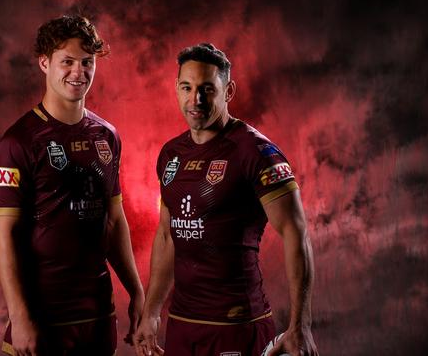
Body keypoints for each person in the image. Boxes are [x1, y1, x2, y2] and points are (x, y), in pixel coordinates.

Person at [134, 43, 318, 356]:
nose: (196, 100)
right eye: (187, 87)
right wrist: (151, 313)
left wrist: (302, 324)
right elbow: (167, 234)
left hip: (237, 327)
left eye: (207, 89)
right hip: (181, 325)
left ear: (228, 90)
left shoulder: (256, 152)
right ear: (177, 89)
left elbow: (295, 234)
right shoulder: (170, 154)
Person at [0, 15, 144, 356]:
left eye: (87, 62)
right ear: (44, 63)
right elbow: (4, 237)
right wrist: (20, 316)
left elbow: (115, 221)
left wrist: (136, 292)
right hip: (44, 316)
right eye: (67, 62)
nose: (79, 72)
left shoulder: (107, 136)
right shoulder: (17, 143)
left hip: (98, 315)